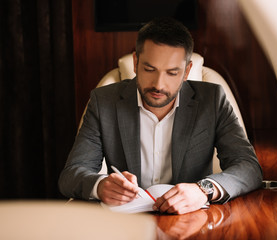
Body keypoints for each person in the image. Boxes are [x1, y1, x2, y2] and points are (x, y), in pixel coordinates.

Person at [58, 17, 262, 214]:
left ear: (187, 71)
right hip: (128, 225)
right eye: (149, 69)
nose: (158, 84)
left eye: (172, 73)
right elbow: (71, 175)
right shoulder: (103, 102)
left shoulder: (212, 100)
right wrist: (100, 185)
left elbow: (249, 167)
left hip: (191, 221)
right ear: (136, 62)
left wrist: (203, 190)